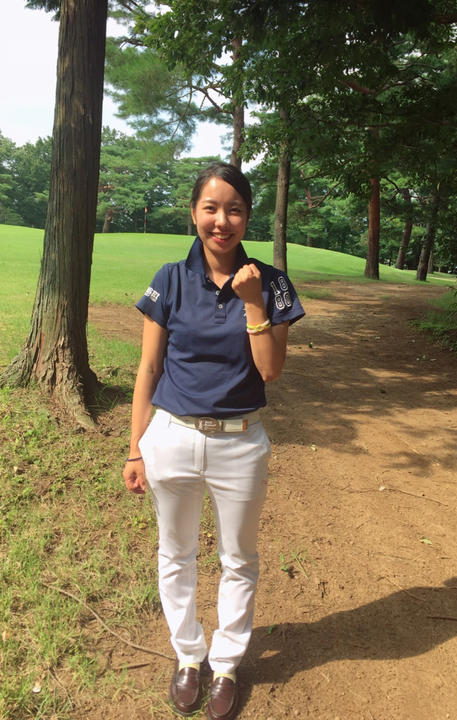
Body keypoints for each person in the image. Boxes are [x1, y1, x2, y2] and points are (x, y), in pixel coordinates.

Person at [122, 162, 304, 719]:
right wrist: (135, 447)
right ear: (194, 213)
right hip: (172, 436)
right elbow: (149, 368)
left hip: (240, 442)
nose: (221, 221)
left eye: (234, 209)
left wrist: (253, 301)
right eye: (211, 208)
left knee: (238, 558)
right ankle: (187, 656)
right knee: (175, 553)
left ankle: (224, 664)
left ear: (247, 217)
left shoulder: (271, 282)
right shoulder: (170, 278)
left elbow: (270, 370)